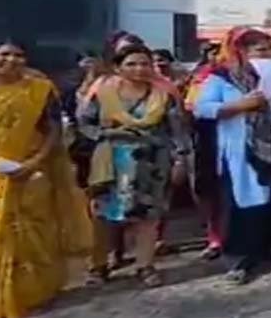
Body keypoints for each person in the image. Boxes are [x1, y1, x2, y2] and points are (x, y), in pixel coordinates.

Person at [0, 39, 92, 318]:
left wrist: (34, 162)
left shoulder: (39, 91)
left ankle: (30, 294)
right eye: (4, 54)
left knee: (30, 234)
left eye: (19, 55)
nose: (12, 60)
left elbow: (52, 130)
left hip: (27, 172)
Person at [193, 29, 271, 284]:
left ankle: (265, 247)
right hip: (244, 149)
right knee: (247, 205)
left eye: (270, 49)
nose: (267, 55)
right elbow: (202, 109)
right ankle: (240, 260)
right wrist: (239, 105)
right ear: (242, 52)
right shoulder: (223, 78)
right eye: (259, 50)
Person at [78, 44, 190, 287]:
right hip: (110, 161)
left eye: (144, 63)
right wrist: (107, 134)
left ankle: (145, 266)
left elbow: (178, 132)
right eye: (131, 64)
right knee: (102, 216)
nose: (139, 69)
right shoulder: (102, 93)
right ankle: (98, 266)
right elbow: (85, 123)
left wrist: (181, 160)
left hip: (152, 162)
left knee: (148, 216)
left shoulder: (164, 95)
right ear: (117, 67)